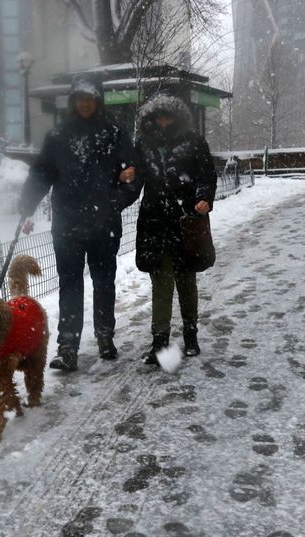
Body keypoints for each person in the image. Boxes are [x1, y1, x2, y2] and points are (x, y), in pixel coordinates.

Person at [18, 79, 137, 372]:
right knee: (69, 286)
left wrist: (114, 201)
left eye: (91, 99)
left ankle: (105, 336)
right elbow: (41, 174)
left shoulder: (114, 134)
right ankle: (68, 346)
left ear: (99, 101)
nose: (85, 104)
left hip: (104, 224)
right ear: (73, 102)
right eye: (80, 99)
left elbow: (134, 175)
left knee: (103, 282)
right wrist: (26, 204)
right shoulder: (58, 136)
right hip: (68, 225)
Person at [130, 94, 216, 365]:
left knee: (187, 282)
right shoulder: (143, 145)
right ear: (151, 118)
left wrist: (203, 197)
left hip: (185, 220)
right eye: (159, 116)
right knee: (161, 284)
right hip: (155, 223)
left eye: (168, 116)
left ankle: (191, 336)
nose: (163, 121)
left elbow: (206, 175)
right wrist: (117, 193)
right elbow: (134, 181)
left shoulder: (194, 142)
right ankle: (160, 343)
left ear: (177, 117)